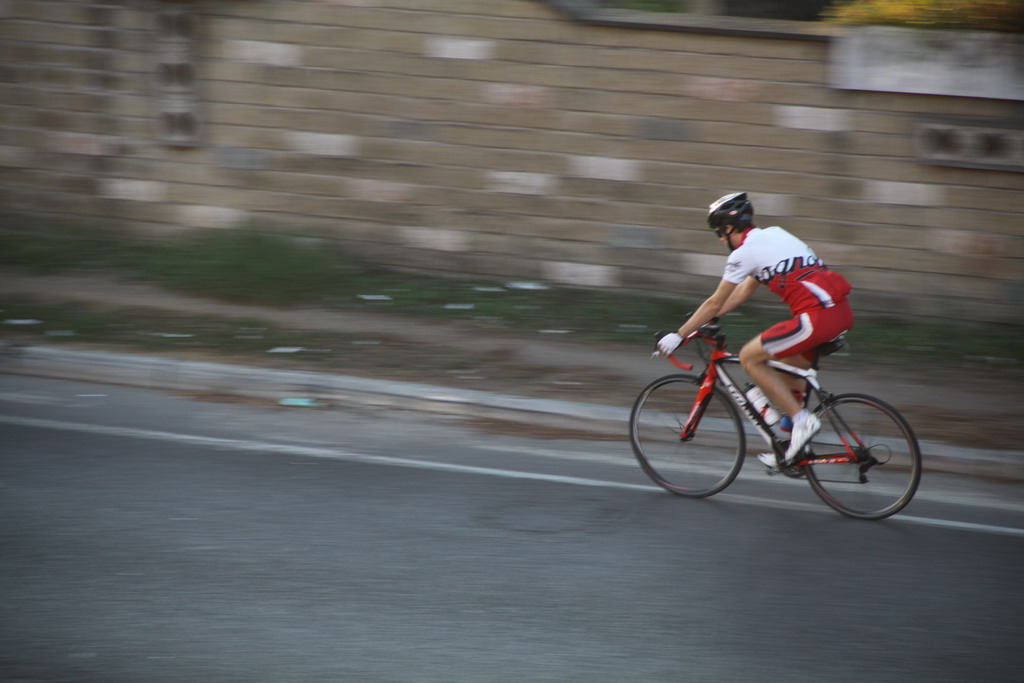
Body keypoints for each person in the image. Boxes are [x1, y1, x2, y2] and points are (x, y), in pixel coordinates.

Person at [656, 192, 854, 467]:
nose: (721, 240)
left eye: (719, 234)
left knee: (750, 357)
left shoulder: (744, 253)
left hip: (815, 318)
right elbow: (739, 295)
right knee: (781, 369)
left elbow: (715, 301)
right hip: (840, 312)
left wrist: (678, 335)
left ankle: (802, 422)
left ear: (727, 228)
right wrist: (705, 320)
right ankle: (791, 444)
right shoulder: (774, 234)